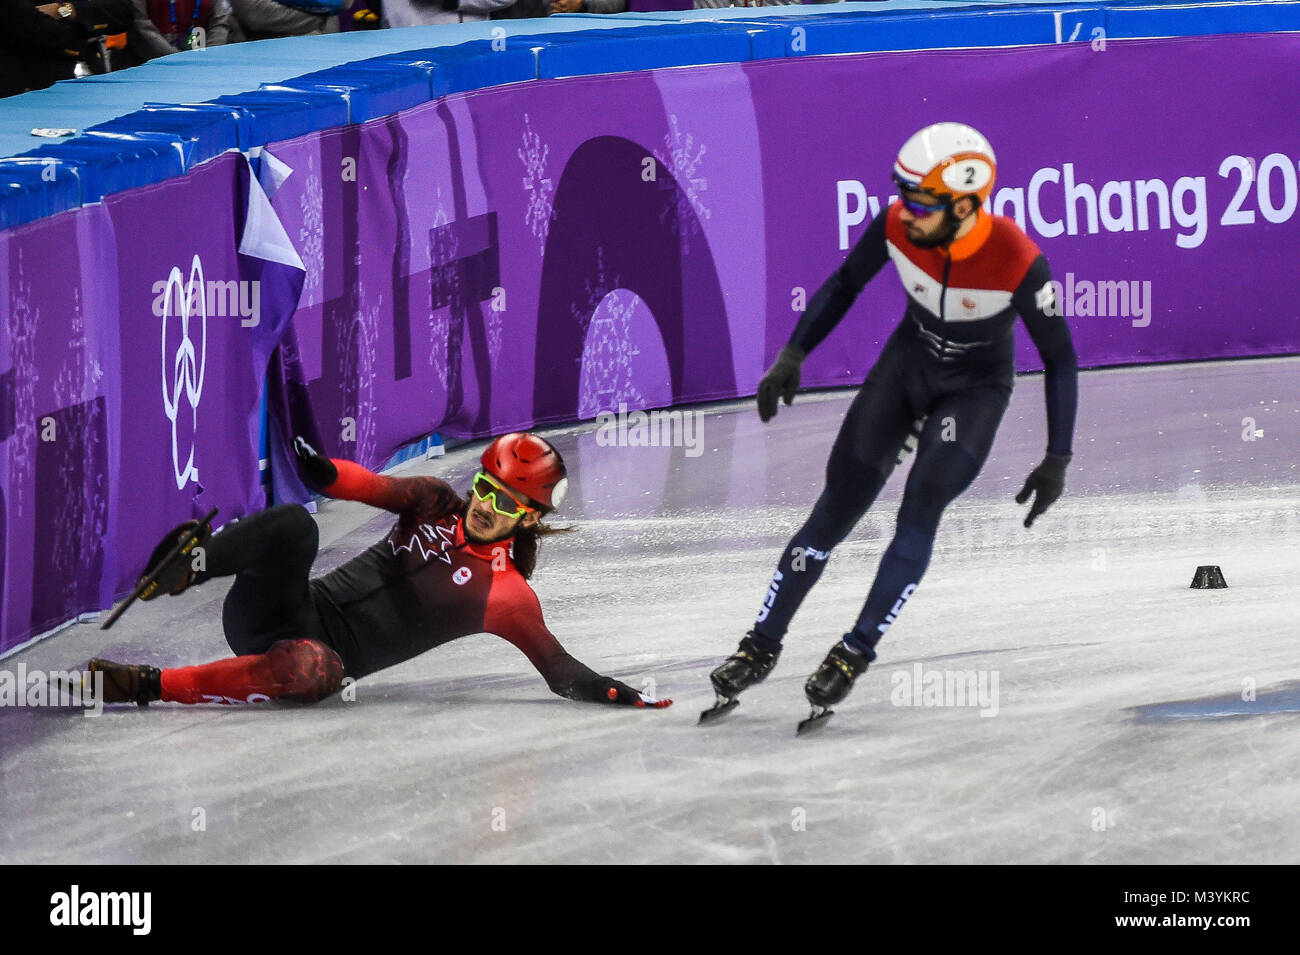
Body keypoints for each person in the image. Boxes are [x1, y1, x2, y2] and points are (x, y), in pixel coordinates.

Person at [705, 122, 1078, 723]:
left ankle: (855, 651)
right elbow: (845, 283)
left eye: (921, 203)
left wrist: (1057, 457)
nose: (906, 213)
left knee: (922, 501)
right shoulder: (897, 224)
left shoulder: (1017, 258)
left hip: (974, 393)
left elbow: (1059, 358)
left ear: (965, 204)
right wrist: (794, 354)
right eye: (902, 197)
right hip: (906, 371)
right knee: (836, 504)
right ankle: (760, 643)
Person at [82, 432, 671, 711]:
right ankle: (193, 564)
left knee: (317, 667)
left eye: (507, 503)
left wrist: (618, 692)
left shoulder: (508, 596)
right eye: (486, 488)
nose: (487, 506)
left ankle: (146, 684)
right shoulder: (435, 501)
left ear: (531, 516)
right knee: (297, 526)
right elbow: (366, 485)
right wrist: (321, 471)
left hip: (309, 658)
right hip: (273, 611)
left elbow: (559, 669)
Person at [1, 0, 135, 97]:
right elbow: (22, 22)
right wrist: (81, 39)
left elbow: (122, 12)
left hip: (93, 74)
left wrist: (64, 10)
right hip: (29, 82)